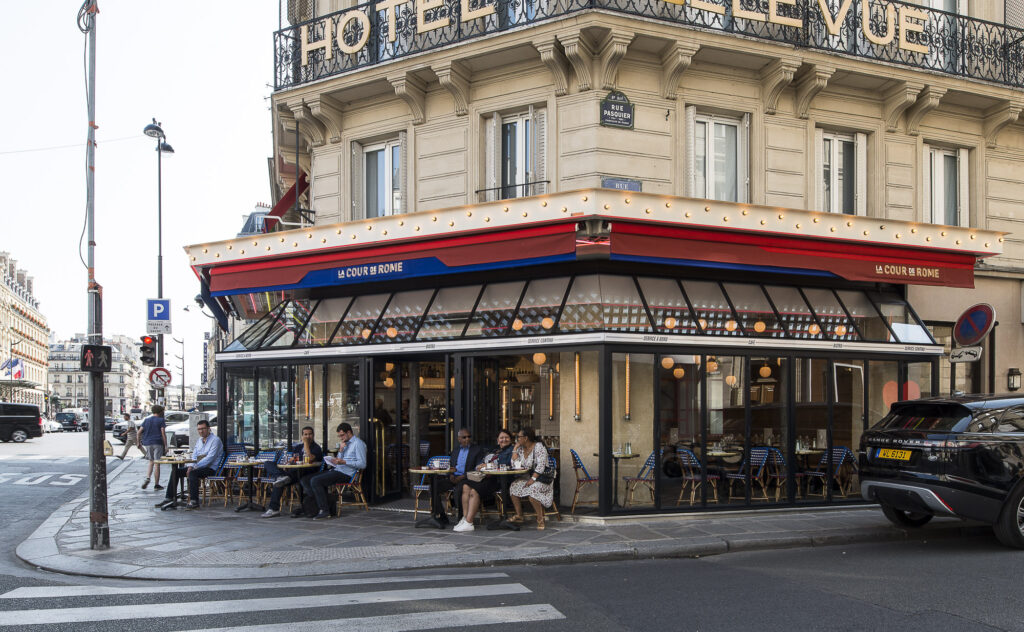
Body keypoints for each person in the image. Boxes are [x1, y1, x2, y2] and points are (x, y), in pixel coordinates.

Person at [155, 419, 223, 510]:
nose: (201, 431)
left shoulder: (215, 440)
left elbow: (210, 458)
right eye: (199, 429)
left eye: (203, 429)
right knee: (176, 471)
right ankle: (169, 498)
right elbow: (194, 455)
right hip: (197, 466)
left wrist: (194, 467)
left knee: (193, 473)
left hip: (211, 468)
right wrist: (190, 466)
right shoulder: (199, 440)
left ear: (209, 429)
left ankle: (194, 501)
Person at [455, 428, 514, 532]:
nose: (504, 440)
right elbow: (482, 461)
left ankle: (469, 522)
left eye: (506, 437)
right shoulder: (495, 450)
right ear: (497, 440)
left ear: (511, 439)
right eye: (501, 438)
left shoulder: (512, 450)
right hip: (486, 477)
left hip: (498, 480)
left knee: (474, 491)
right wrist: (479, 466)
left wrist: (488, 465)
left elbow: (507, 464)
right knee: (465, 485)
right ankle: (465, 519)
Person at [302, 423, 366, 520]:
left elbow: (362, 464)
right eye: (339, 436)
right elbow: (339, 460)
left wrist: (344, 462)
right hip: (337, 470)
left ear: (349, 432)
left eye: (342, 435)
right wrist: (340, 451)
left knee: (316, 481)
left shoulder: (358, 444)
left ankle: (324, 510)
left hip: (347, 474)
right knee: (305, 479)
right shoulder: (345, 443)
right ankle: (322, 503)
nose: (340, 438)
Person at [261, 426, 323, 518]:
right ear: (302, 436)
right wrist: (289, 462)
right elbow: (294, 459)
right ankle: (280, 478)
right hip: (293, 472)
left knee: (280, 483)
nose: (307, 436)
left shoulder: (316, 448)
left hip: (306, 473)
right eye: (305, 434)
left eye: (310, 434)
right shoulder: (298, 447)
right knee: (268, 464)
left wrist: (306, 444)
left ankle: (274, 507)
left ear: (313, 435)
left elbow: (310, 459)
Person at [509, 427, 554, 530]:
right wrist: (515, 449)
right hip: (528, 477)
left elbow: (541, 466)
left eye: (518, 437)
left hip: (542, 479)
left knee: (533, 491)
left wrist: (532, 479)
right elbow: (514, 464)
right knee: (513, 486)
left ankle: (540, 519)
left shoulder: (538, 447)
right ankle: (519, 515)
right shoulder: (520, 449)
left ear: (526, 438)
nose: (517, 439)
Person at [439, 428, 485, 526]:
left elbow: (476, 467)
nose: (467, 439)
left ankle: (461, 518)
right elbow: (451, 465)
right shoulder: (455, 450)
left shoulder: (477, 450)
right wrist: (451, 475)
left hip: (466, 478)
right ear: (459, 439)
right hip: (454, 477)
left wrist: (462, 477)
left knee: (459, 490)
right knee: (435, 487)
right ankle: (441, 516)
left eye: (469, 437)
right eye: (464, 437)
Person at [139, 404, 168, 490]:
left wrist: (138, 442)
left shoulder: (146, 420)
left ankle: (148, 477)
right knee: (157, 463)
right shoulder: (161, 420)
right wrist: (166, 445)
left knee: (151, 461)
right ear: (160, 412)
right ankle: (156, 484)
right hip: (158, 442)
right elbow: (163, 432)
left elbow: (139, 432)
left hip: (147, 443)